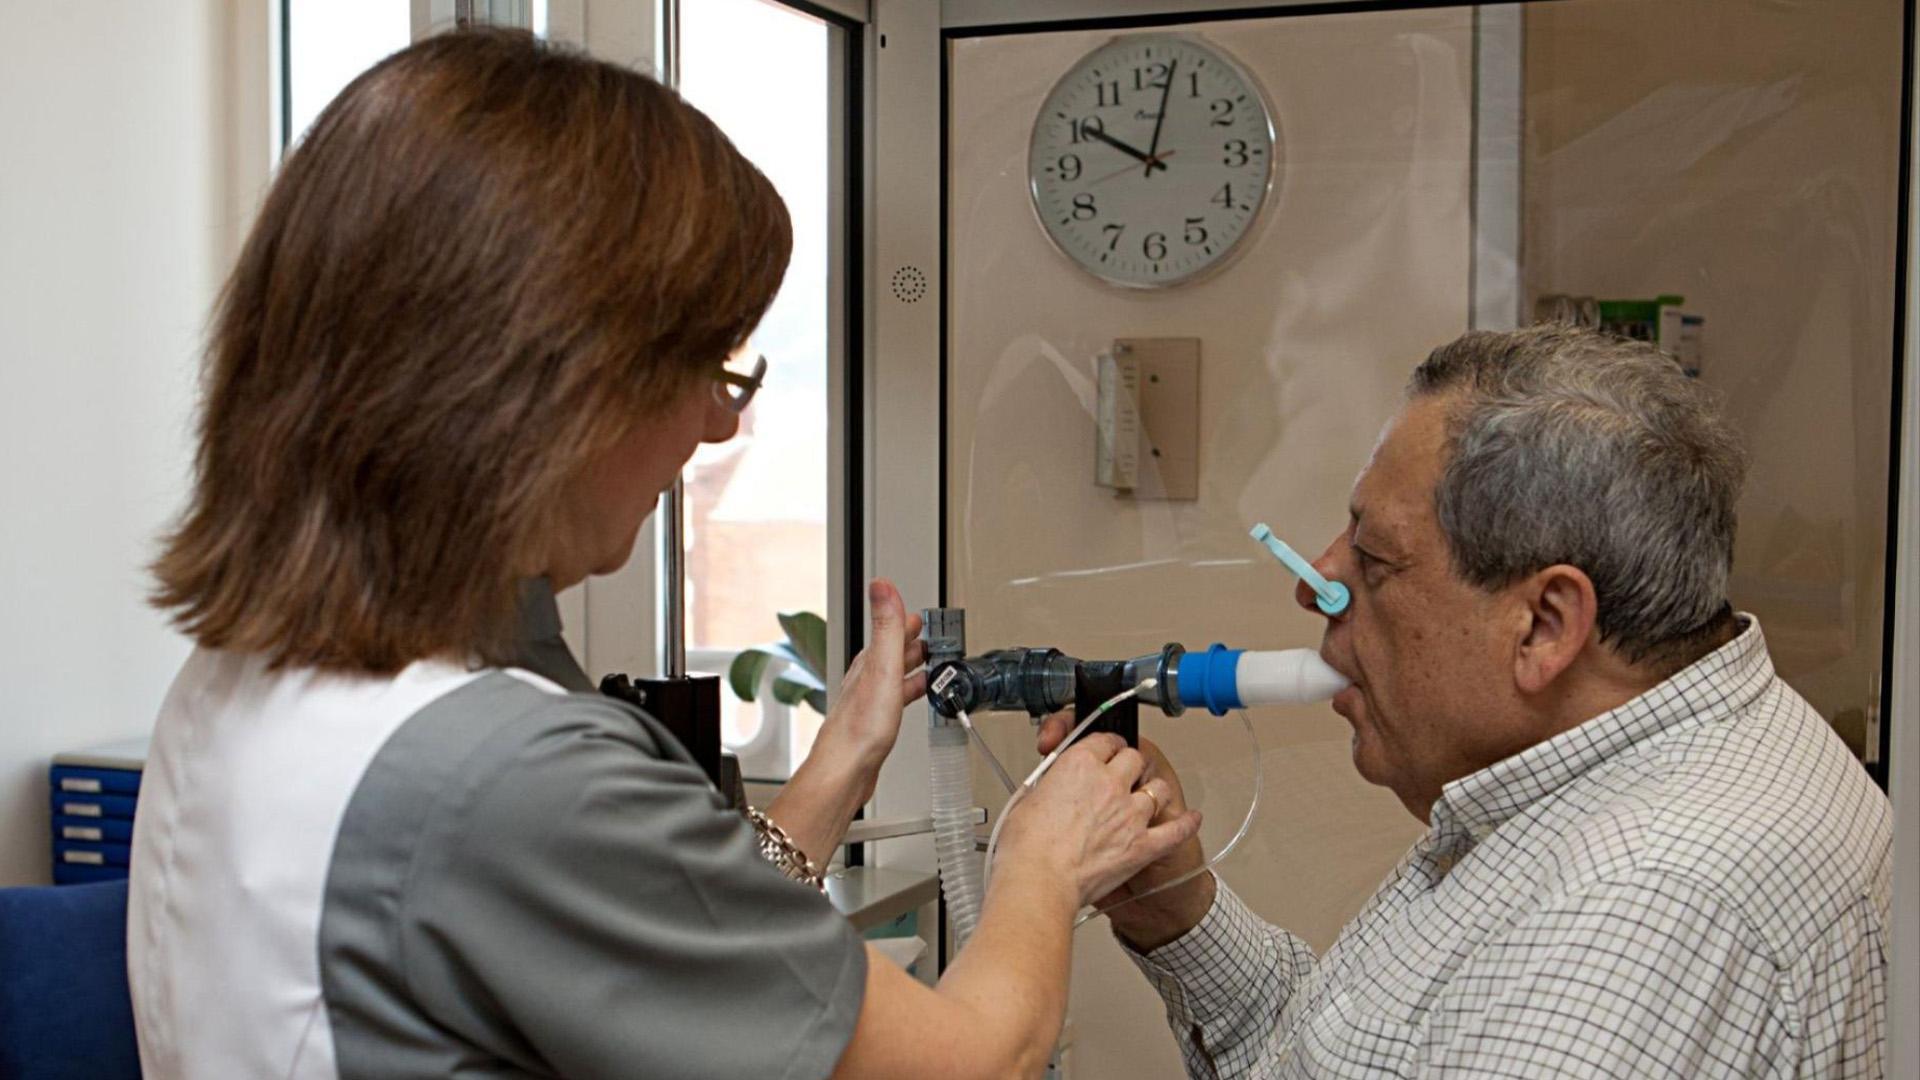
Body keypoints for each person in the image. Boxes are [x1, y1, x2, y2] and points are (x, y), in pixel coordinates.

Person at [128, 29, 1199, 1080]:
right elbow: (971, 1061)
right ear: (556, 384)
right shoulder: (503, 776)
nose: (718, 425)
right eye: (705, 367)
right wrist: (1042, 863)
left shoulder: (249, 680)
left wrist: (841, 763)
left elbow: (670, 935)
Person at [1043, 325, 1892, 1078]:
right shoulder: (1618, 774)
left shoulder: (1632, 916)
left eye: (1374, 560)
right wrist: (1176, 907)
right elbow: (1367, 1051)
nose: (1321, 585)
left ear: (1543, 626)